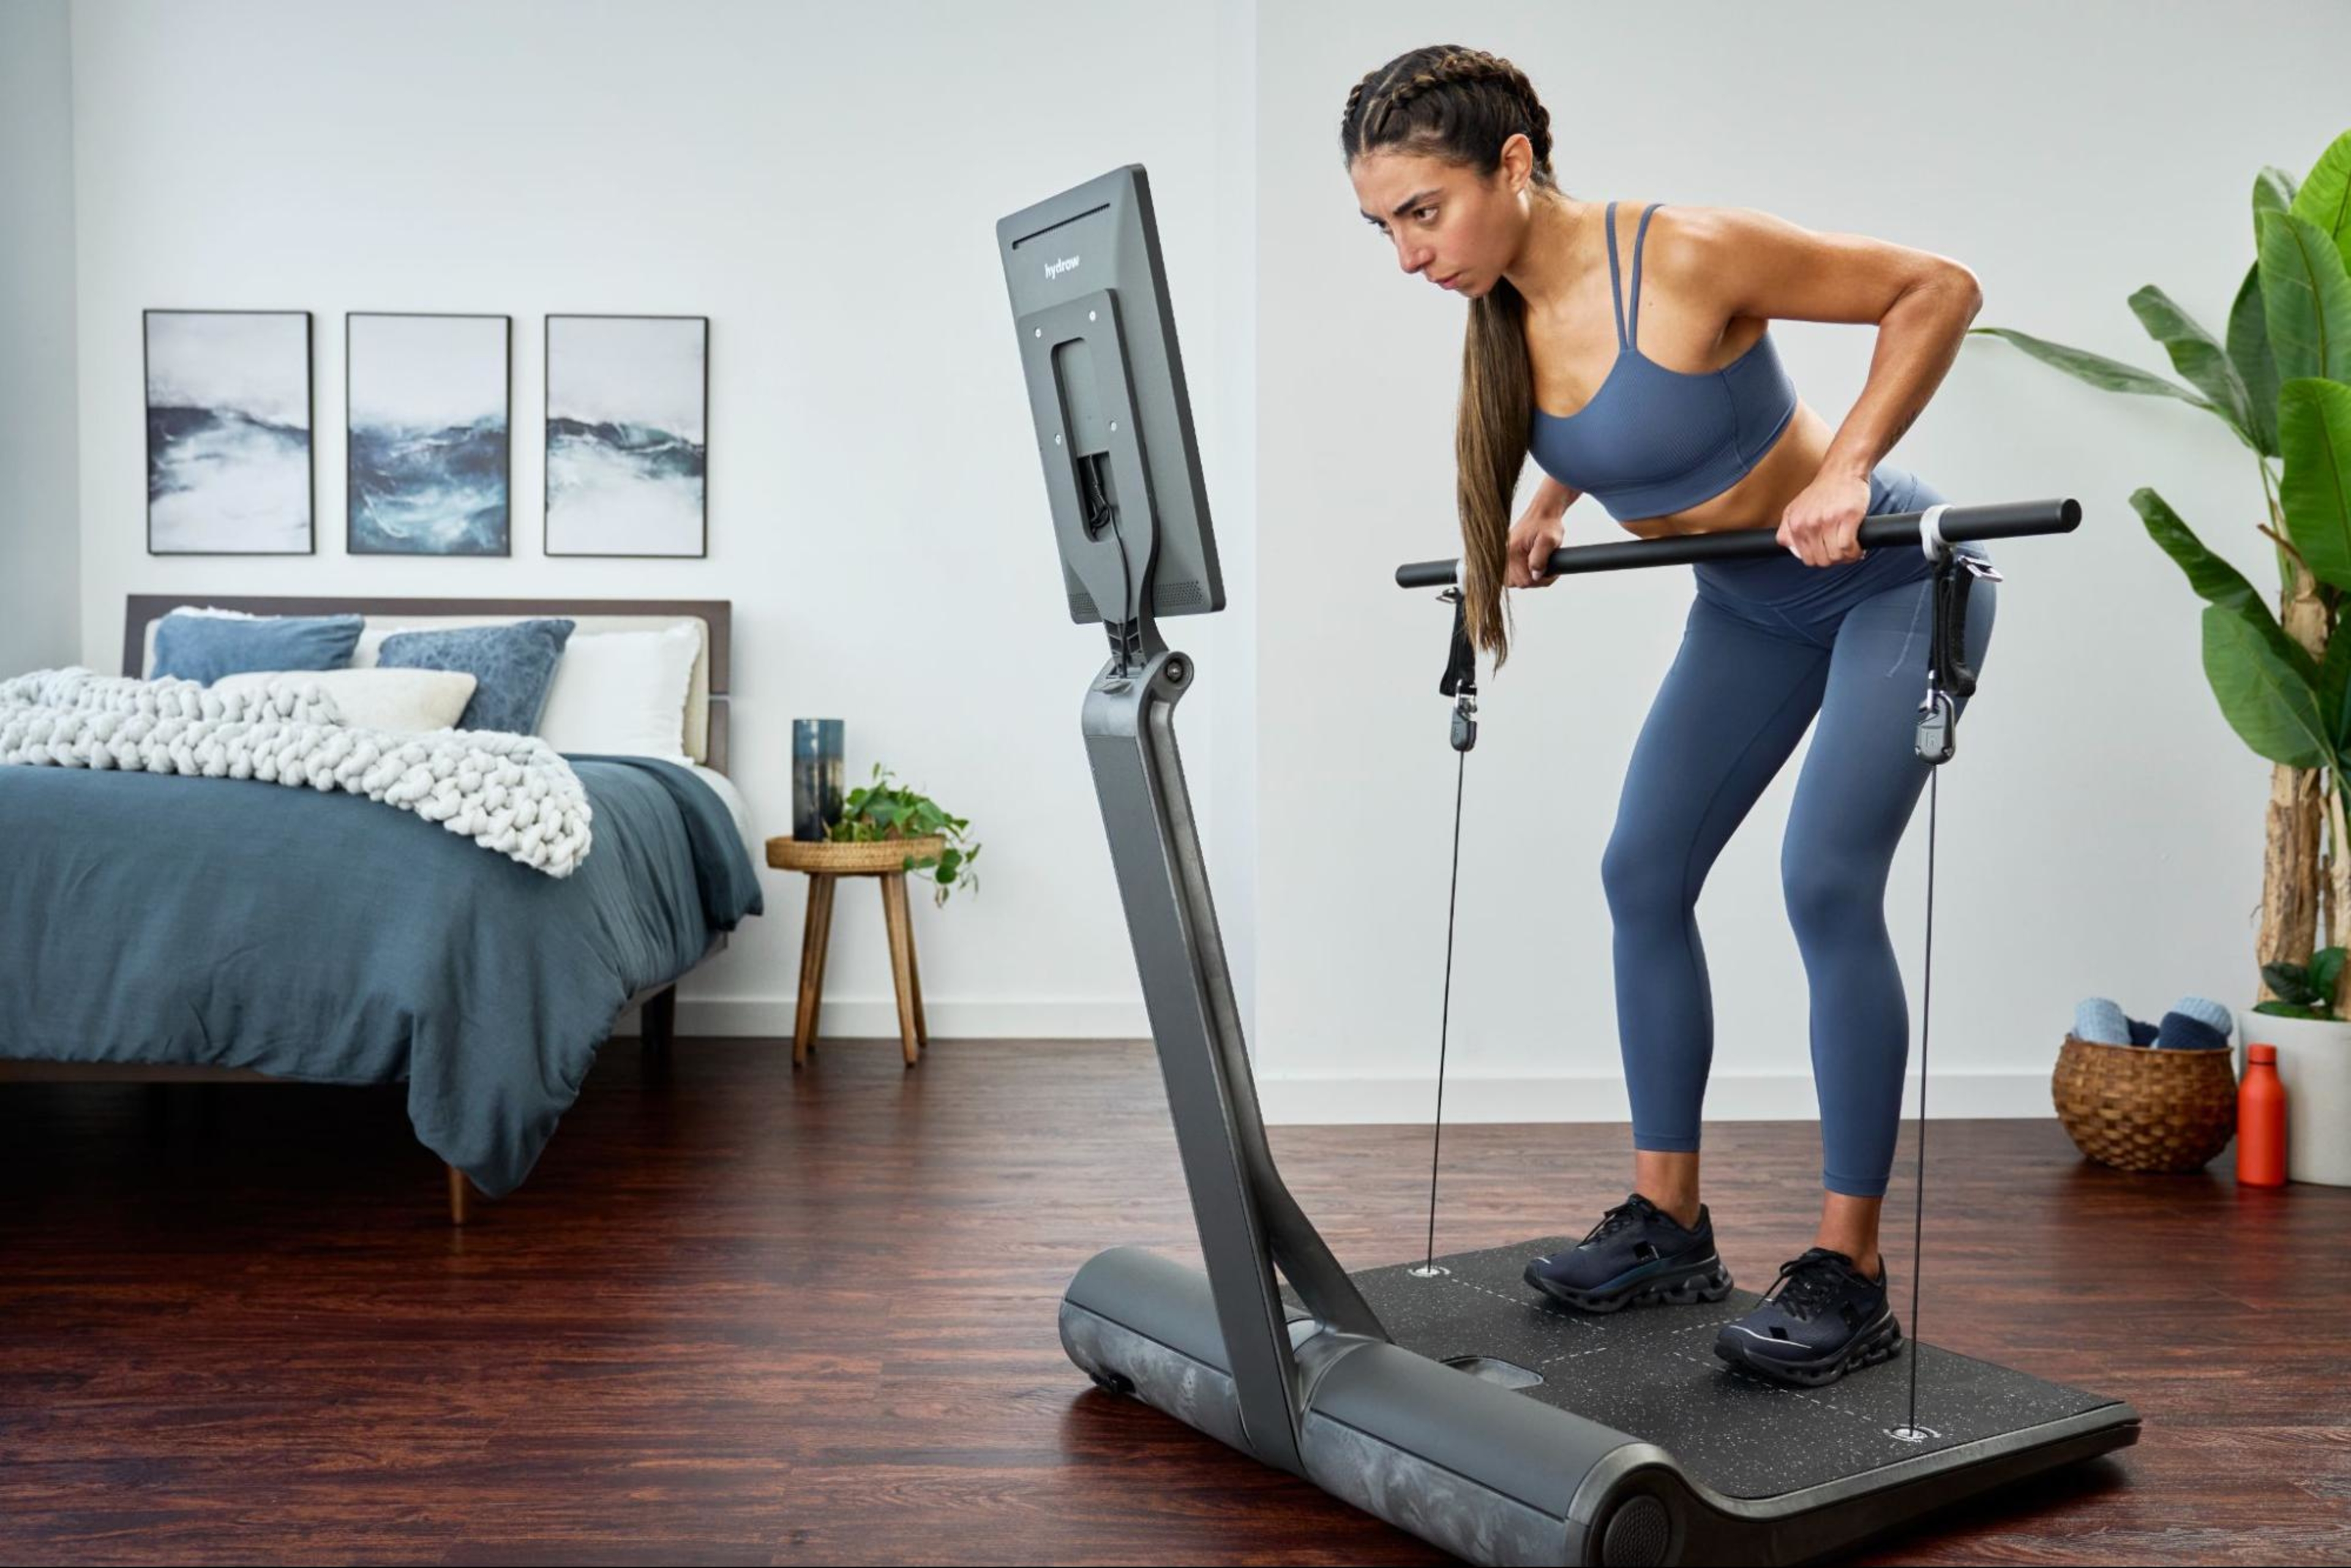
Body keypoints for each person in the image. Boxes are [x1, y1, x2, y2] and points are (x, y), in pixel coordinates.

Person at [1341, 44, 1997, 1389]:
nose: (1409, 254)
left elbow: (1937, 288)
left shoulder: (1685, 253)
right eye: (1384, 226)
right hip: (1753, 606)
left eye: (1423, 211)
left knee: (1822, 883)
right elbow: (1630, 425)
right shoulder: (1508, 315)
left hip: (1884, 584)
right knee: (1643, 871)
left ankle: (1849, 1268)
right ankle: (1670, 1226)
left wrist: (1853, 466)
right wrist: (1547, 502)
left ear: (1512, 164)